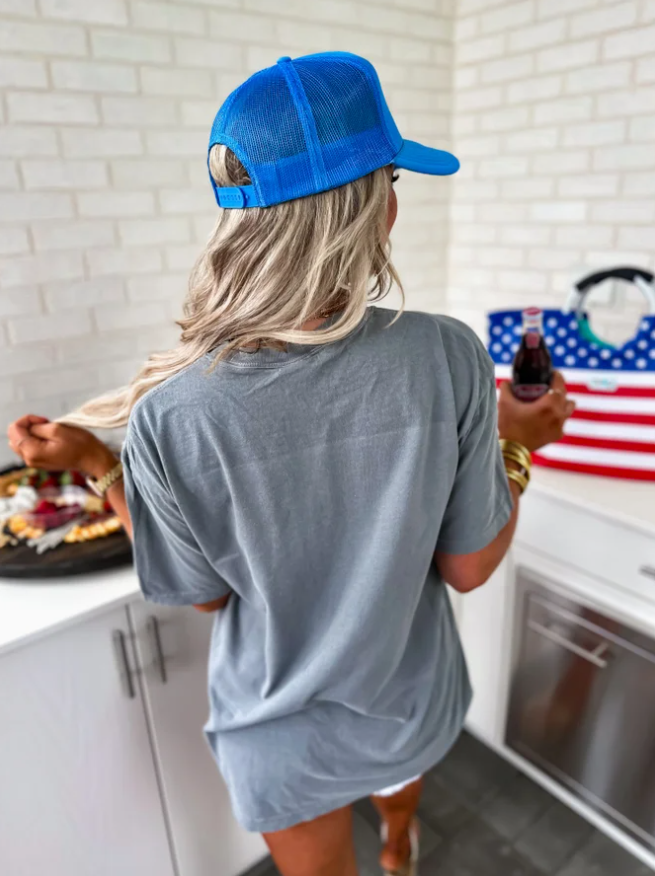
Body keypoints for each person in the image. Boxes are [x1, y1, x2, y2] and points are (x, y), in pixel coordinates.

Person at [7, 53, 574, 876]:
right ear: (370, 209)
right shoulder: (443, 356)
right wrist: (518, 440)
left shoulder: (171, 412)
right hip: (405, 703)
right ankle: (399, 846)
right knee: (400, 792)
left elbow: (202, 595)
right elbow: (467, 567)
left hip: (277, 737)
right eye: (390, 181)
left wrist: (99, 463)